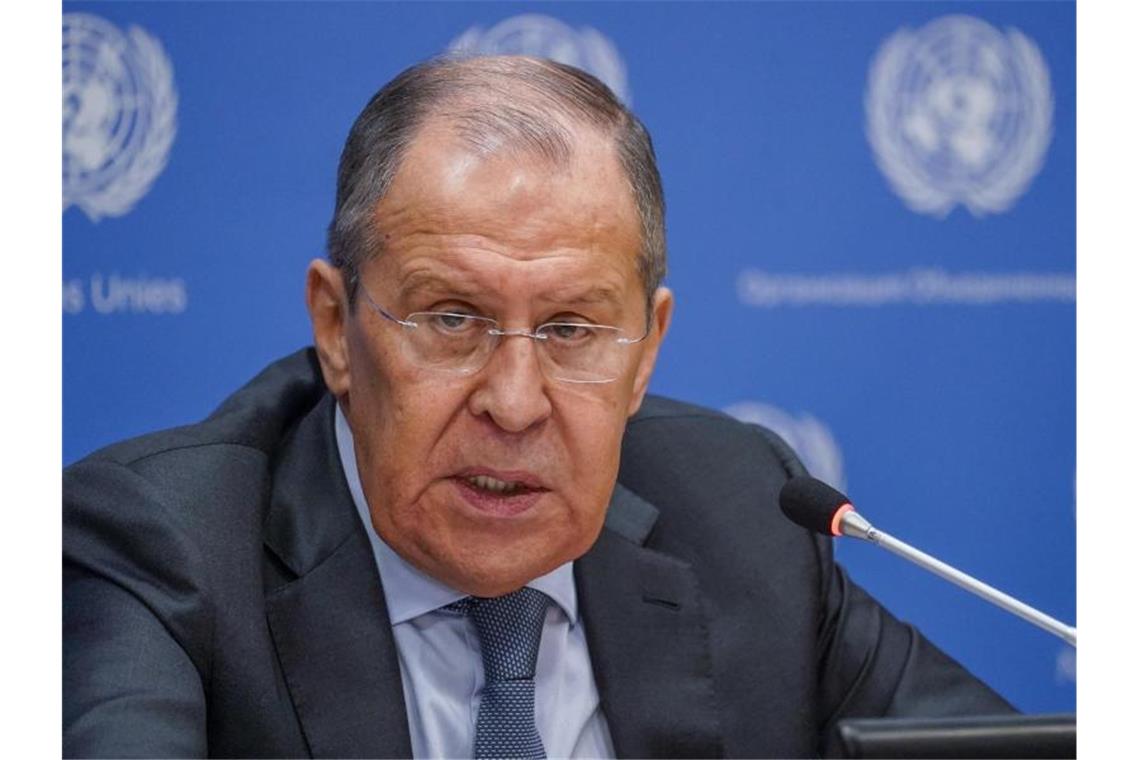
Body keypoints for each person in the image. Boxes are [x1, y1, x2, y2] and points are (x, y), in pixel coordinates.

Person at [63, 55, 1012, 759]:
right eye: (450, 317)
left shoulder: (744, 514)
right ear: (337, 327)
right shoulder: (166, 547)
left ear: (647, 352)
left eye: (571, 329)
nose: (515, 405)